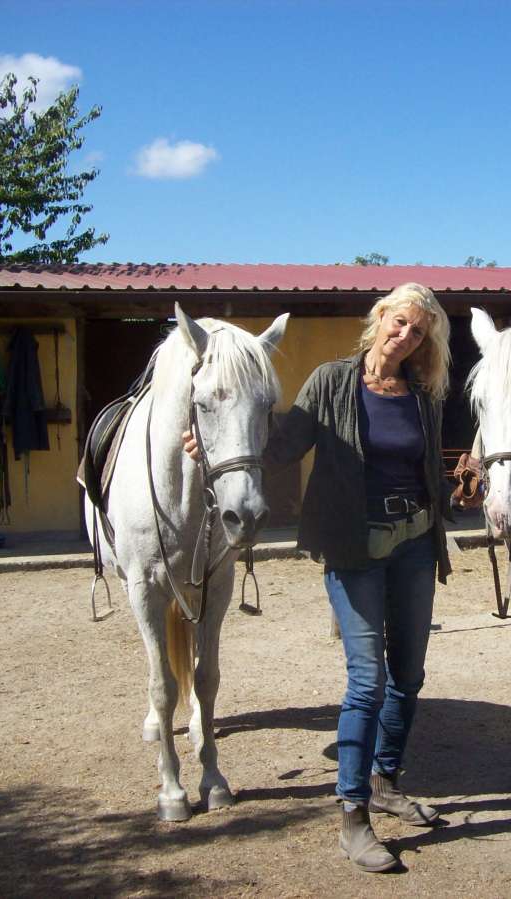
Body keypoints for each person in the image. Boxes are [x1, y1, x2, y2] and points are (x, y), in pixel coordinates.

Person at [183, 282, 452, 873]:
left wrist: (466, 481)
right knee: (368, 681)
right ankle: (353, 814)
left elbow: (430, 469)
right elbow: (278, 447)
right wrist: (210, 445)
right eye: (399, 322)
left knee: (409, 676)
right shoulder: (331, 381)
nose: (404, 336)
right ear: (380, 318)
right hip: (355, 551)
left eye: (418, 331)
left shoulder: (424, 397)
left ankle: (386, 780)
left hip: (413, 547)